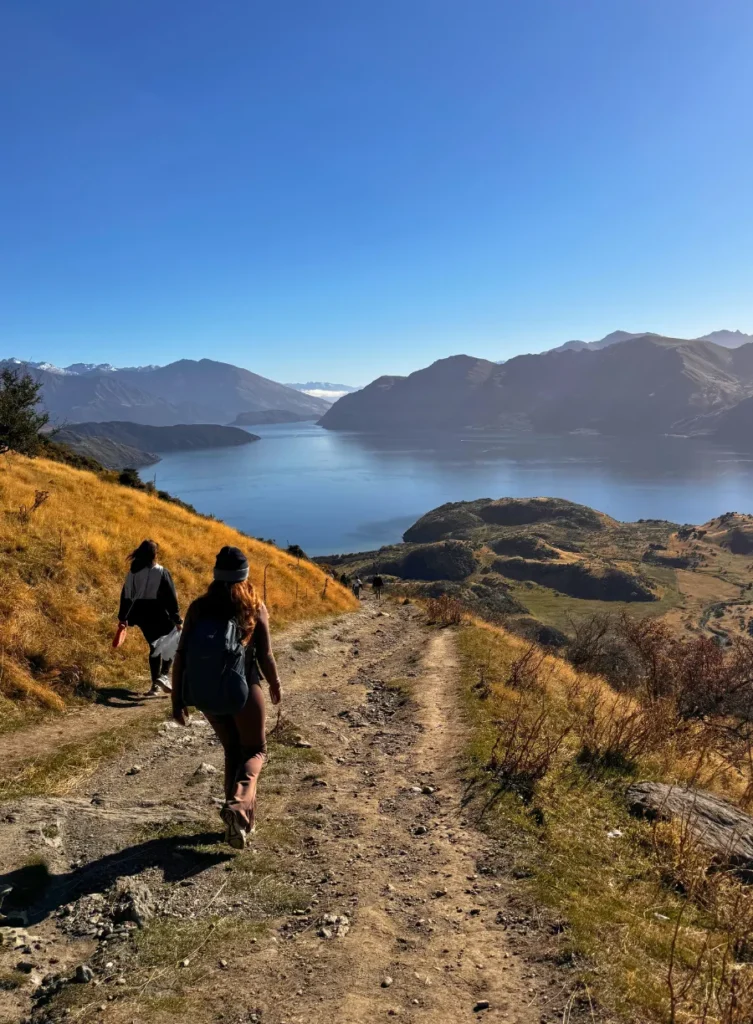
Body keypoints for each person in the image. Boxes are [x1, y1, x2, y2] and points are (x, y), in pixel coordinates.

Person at [171, 546, 282, 850]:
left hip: (207, 696)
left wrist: (177, 702)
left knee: (232, 751)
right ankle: (238, 808)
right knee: (256, 751)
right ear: (244, 576)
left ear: (216, 575)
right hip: (243, 690)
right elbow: (266, 655)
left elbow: (180, 656)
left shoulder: (198, 608)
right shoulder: (253, 607)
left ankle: (240, 825)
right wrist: (275, 684)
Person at [118, 540, 182, 696]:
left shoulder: (132, 573)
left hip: (140, 615)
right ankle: (163, 676)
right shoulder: (160, 572)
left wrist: (123, 617)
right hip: (158, 612)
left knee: (155, 646)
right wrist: (177, 619)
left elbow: (125, 595)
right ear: (155, 554)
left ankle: (155, 685)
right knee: (172, 642)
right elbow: (170, 597)